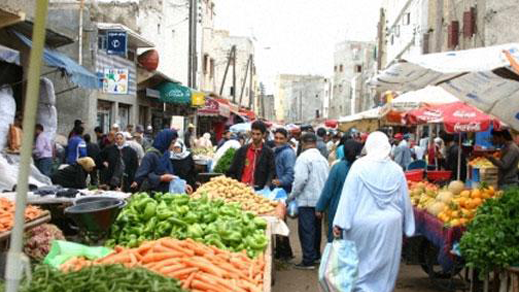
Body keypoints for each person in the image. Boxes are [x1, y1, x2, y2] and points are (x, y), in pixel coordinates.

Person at [333, 131, 415, 292]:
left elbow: (348, 197)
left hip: (361, 225)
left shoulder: (359, 166)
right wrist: (409, 226)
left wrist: (340, 222)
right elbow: (405, 199)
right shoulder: (396, 170)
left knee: (360, 266)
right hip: (390, 226)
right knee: (385, 269)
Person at [288, 132, 330, 269]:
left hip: (307, 200)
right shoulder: (323, 159)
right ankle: (316, 255)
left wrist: (292, 196)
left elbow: (300, 180)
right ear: (315, 143)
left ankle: (308, 260)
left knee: (306, 230)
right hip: (320, 200)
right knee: (316, 230)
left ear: (303, 143)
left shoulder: (303, 158)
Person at [316, 140, 358, 243]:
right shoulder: (361, 167)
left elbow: (328, 190)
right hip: (356, 209)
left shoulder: (338, 167)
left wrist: (320, 207)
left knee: (336, 239)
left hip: (337, 208)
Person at [227, 121, 276, 190]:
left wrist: (267, 186)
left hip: (259, 189)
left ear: (264, 134)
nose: (255, 137)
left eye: (258, 134)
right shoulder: (242, 151)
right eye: (253, 134)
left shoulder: (268, 152)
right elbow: (233, 169)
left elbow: (272, 171)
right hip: (242, 189)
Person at [271, 128, 296, 261]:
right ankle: (281, 252)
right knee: (278, 221)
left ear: (286, 139)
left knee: (281, 222)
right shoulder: (276, 151)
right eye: (276, 138)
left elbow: (290, 175)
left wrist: (279, 181)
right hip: (277, 191)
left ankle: (285, 253)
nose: (278, 141)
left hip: (283, 191)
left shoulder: (288, 153)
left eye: (281, 138)